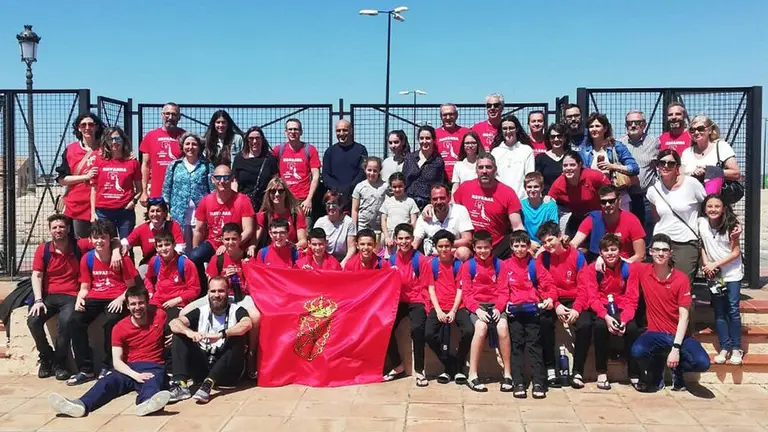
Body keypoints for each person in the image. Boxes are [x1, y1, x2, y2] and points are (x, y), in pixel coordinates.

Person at [48, 286, 171, 418]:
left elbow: (175, 324)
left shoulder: (160, 316)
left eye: (141, 303)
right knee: (106, 382)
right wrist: (135, 375)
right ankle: (80, 405)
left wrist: (174, 334)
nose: (137, 307)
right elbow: (117, 361)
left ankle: (146, 403)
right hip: (127, 368)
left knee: (153, 382)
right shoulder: (119, 328)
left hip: (153, 365)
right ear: (127, 306)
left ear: (147, 303)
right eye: (133, 304)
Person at [631, 234, 710, 392]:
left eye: (665, 250)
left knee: (702, 363)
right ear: (651, 252)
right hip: (655, 333)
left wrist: (675, 349)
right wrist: (599, 261)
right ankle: (657, 367)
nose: (661, 253)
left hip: (679, 335)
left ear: (670, 253)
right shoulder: (642, 270)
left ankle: (678, 368)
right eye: (657, 249)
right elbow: (617, 262)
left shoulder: (681, 279)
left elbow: (684, 317)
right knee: (638, 351)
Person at [68, 219, 138, 385]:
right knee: (75, 321)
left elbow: (131, 287)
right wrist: (79, 298)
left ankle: (107, 365)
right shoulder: (87, 258)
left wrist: (121, 299)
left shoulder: (122, 259)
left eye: (103, 237)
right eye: (96, 237)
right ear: (91, 240)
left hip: (116, 297)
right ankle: (86, 369)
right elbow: (85, 286)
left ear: (110, 239)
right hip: (95, 296)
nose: (99, 241)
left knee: (112, 322)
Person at [168, 277, 252, 403]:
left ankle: (209, 383)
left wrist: (222, 334)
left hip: (227, 371)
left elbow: (247, 323)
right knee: (179, 335)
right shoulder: (202, 310)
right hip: (204, 364)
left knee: (237, 336)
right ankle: (180, 385)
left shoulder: (237, 310)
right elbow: (174, 323)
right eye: (213, 291)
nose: (216, 295)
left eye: (221, 291)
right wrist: (189, 332)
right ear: (208, 293)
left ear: (228, 292)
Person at [28, 215, 88, 380]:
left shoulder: (79, 245)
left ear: (68, 229)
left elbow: (103, 240)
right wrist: (38, 300)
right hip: (48, 296)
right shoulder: (43, 249)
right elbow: (37, 275)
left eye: (61, 227)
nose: (58, 230)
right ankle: (47, 357)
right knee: (33, 321)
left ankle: (60, 363)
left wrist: (118, 247)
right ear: (50, 230)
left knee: (66, 322)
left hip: (71, 295)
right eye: (54, 227)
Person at [581, 234, 641, 390]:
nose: (610, 253)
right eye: (606, 250)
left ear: (620, 251)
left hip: (622, 307)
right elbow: (592, 298)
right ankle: (601, 371)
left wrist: (625, 319)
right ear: (600, 253)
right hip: (602, 307)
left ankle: (634, 373)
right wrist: (606, 317)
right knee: (600, 328)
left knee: (633, 329)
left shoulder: (629, 269)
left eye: (613, 249)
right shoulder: (592, 270)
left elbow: (632, 298)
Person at [534, 222, 590, 388]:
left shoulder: (577, 257)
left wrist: (577, 308)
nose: (547, 245)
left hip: (574, 298)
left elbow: (584, 286)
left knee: (586, 325)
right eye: (544, 242)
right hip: (553, 299)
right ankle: (550, 368)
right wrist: (556, 305)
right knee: (543, 322)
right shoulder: (542, 258)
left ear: (560, 236)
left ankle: (578, 371)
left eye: (550, 239)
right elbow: (542, 286)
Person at [504, 230, 556, 399]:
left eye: (523, 246)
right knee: (517, 346)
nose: (519, 249)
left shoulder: (535, 265)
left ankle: (539, 382)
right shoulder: (505, 265)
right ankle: (518, 382)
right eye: (516, 245)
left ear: (528, 247)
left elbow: (549, 285)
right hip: (515, 312)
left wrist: (550, 299)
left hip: (533, 311)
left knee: (534, 345)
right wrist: (504, 304)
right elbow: (501, 289)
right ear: (511, 247)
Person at [189, 165, 255, 292]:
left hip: (234, 242)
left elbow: (248, 230)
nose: (222, 181)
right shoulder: (206, 201)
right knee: (194, 257)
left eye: (226, 177)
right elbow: (199, 230)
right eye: (218, 177)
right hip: (213, 242)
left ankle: (241, 290)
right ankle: (203, 290)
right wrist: (195, 250)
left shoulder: (242, 200)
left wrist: (229, 244)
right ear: (213, 179)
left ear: (232, 179)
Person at [646, 150, 706, 286]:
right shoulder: (653, 190)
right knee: (660, 284)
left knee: (682, 285)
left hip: (686, 242)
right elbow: (656, 217)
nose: (666, 166)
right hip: (661, 241)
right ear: (658, 166)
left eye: (671, 163)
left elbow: (707, 206)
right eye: (662, 163)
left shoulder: (692, 184)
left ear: (677, 167)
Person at [462, 230, 512, 393]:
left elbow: (504, 290)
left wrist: (498, 308)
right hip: (477, 306)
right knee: (481, 328)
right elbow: (467, 293)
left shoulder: (500, 265)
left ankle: (508, 374)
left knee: (503, 328)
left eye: (486, 248)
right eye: (479, 248)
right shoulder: (468, 266)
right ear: (474, 248)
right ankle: (473, 374)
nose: (483, 251)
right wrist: (476, 309)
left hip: (496, 304)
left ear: (491, 247)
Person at [423, 230, 473, 385]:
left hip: (457, 306)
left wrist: (453, 310)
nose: (444, 250)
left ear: (452, 247)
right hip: (437, 306)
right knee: (429, 334)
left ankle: (458, 362)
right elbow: (431, 288)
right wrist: (438, 310)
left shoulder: (459, 265)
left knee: (469, 330)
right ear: (436, 247)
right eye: (440, 246)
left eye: (447, 246)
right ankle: (451, 365)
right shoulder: (432, 264)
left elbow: (460, 289)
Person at [383, 223, 430, 387]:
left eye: (407, 238)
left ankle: (419, 370)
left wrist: (427, 308)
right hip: (398, 301)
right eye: (400, 238)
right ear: (395, 240)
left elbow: (426, 285)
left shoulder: (420, 260)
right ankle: (397, 366)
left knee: (417, 329)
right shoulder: (392, 260)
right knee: (384, 327)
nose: (404, 242)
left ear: (412, 239)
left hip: (417, 301)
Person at [699, 194, 743, 365]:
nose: (713, 210)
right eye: (710, 206)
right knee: (719, 311)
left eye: (717, 206)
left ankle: (736, 348)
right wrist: (706, 264)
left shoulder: (732, 226)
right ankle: (724, 347)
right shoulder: (701, 223)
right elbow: (701, 244)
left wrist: (715, 263)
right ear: (705, 208)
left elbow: (735, 252)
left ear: (724, 208)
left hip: (732, 273)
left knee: (732, 309)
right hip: (715, 275)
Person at [453, 154, 525, 259]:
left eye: (488, 167)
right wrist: (430, 207)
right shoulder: (465, 188)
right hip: (470, 244)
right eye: (481, 167)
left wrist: (526, 243)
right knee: (461, 252)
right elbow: (452, 211)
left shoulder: (507, 192)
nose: (484, 171)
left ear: (495, 169)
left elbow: (517, 226)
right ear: (476, 170)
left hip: (496, 245)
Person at [162, 132, 215, 251]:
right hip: (178, 214)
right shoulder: (174, 165)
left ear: (199, 147)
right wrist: (166, 210)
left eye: (194, 144)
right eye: (187, 144)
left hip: (200, 215)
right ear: (182, 146)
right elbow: (166, 189)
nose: (190, 147)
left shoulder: (206, 166)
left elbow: (213, 190)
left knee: (198, 247)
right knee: (181, 247)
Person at [56, 113, 105, 238]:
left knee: (100, 242)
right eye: (83, 125)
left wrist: (129, 156)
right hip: (76, 205)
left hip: (100, 204)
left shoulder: (105, 149)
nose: (87, 128)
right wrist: (85, 177)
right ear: (78, 128)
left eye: (91, 124)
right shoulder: (71, 150)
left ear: (97, 127)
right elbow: (62, 179)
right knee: (79, 244)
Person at [579, 113, 639, 211]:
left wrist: (613, 167)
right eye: (591, 126)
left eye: (597, 126)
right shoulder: (585, 151)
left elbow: (634, 168)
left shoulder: (617, 146)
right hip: (595, 198)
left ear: (605, 128)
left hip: (618, 197)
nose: (594, 129)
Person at [570, 185, 646, 262]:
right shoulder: (593, 219)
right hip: (599, 265)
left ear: (619, 200)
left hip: (626, 266)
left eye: (611, 201)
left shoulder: (631, 220)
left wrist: (621, 267)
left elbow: (640, 255)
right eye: (603, 202)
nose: (607, 205)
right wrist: (564, 244)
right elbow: (574, 244)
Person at [90, 126, 142, 239]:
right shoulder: (99, 161)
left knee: (126, 245)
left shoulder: (132, 162)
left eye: (117, 139)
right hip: (103, 211)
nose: (114, 142)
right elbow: (94, 189)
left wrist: (133, 202)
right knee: (106, 244)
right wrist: (93, 213)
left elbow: (139, 189)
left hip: (125, 211)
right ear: (106, 142)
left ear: (123, 141)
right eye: (110, 139)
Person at [143, 230, 200, 327]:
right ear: (156, 248)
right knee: (146, 322)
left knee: (168, 326)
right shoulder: (154, 261)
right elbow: (148, 278)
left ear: (174, 245)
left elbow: (195, 289)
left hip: (177, 303)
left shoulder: (185, 263)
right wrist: (150, 292)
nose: (164, 248)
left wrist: (177, 300)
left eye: (167, 244)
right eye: (160, 246)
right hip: (157, 300)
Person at [547, 150, 610, 237]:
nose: (568, 168)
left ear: (580, 165)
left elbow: (611, 191)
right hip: (577, 218)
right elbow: (548, 200)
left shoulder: (593, 175)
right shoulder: (559, 183)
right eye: (565, 165)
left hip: (598, 217)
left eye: (572, 165)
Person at [273, 118, 321, 227]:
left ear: (301, 132)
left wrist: (309, 199)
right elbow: (273, 174)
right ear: (285, 132)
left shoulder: (310, 150)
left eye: (296, 129)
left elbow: (316, 176)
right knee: (282, 232)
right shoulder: (278, 150)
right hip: (283, 199)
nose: (292, 132)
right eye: (290, 129)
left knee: (305, 233)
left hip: (303, 201)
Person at [618, 110, 660, 234]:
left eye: (638, 122)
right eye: (630, 123)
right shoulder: (619, 144)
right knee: (627, 231)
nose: (633, 125)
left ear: (644, 125)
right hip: (626, 196)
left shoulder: (654, 143)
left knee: (647, 232)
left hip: (646, 197)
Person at [681, 115, 742, 197]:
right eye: (692, 130)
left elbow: (736, 173)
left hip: (714, 204)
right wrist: (692, 174)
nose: (696, 132)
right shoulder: (687, 152)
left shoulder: (721, 147)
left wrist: (709, 171)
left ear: (709, 130)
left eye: (700, 129)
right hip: (692, 201)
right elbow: (680, 176)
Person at [139, 102, 185, 206]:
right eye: (167, 114)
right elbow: (145, 165)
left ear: (179, 117)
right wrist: (144, 191)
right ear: (162, 115)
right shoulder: (150, 136)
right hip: (156, 193)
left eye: (174, 114)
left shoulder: (185, 137)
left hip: (180, 193)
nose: (170, 117)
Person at [413, 184, 473, 260]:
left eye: (442, 198)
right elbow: (415, 242)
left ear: (449, 197)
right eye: (435, 199)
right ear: (430, 200)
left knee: (463, 252)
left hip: (454, 256)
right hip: (432, 259)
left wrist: (443, 245)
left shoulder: (460, 211)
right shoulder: (425, 216)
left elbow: (468, 240)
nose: (439, 202)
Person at [122, 198, 184, 269]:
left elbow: (180, 248)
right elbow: (125, 243)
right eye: (152, 211)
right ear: (148, 213)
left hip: (170, 263)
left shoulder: (173, 226)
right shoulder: (142, 229)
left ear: (164, 213)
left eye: (158, 211)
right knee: (141, 272)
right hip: (149, 266)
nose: (155, 214)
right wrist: (116, 252)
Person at [322, 120, 368, 212]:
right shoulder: (330, 152)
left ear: (351, 131)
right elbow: (325, 174)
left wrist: (349, 188)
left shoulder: (361, 150)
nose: (341, 133)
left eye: (345, 130)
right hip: (335, 197)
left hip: (355, 196)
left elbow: (362, 172)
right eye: (338, 131)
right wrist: (335, 189)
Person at [232, 126, 279, 213]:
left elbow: (275, 181)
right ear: (247, 140)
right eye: (251, 138)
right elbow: (234, 181)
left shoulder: (270, 159)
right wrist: (234, 200)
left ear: (262, 140)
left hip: (265, 205)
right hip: (243, 203)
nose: (254, 141)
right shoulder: (239, 158)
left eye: (257, 138)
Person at [254, 176, 308, 250]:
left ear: (286, 193)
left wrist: (291, 246)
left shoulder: (296, 213)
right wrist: (251, 247)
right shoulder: (263, 215)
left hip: (291, 252)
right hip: (271, 254)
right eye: (273, 191)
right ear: (269, 194)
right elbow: (255, 241)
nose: (277, 194)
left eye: (280, 191)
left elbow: (303, 241)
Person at [491, 114, 535, 199]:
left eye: (511, 128)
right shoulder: (495, 152)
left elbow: (530, 177)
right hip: (500, 199)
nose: (508, 131)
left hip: (521, 199)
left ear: (517, 129)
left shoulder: (526, 150)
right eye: (504, 128)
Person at [402, 125, 445, 209]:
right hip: (408, 203)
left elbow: (439, 185)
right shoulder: (410, 158)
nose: (424, 141)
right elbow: (404, 182)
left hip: (427, 205)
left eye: (428, 138)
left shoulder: (438, 162)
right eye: (421, 138)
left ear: (433, 140)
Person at [313, 190, 357, 267]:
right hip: (324, 260)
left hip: (343, 260)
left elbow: (352, 248)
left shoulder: (349, 222)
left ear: (340, 205)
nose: (331, 207)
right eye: (328, 204)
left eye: (334, 204)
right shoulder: (320, 222)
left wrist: (342, 264)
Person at [380, 172, 419, 255]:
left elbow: (413, 222)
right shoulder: (387, 202)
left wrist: (409, 236)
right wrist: (387, 237)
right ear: (391, 187)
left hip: (404, 238)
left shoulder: (410, 201)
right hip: (391, 238)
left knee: (405, 258)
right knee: (391, 260)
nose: (397, 189)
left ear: (404, 185)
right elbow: (383, 221)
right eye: (394, 187)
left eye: (400, 186)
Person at [520, 173, 558, 249]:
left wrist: (543, 246)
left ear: (542, 188)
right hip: (526, 244)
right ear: (525, 188)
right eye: (529, 187)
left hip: (547, 244)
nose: (532, 190)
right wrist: (529, 243)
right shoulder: (520, 205)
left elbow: (553, 228)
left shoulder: (550, 205)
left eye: (536, 187)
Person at [352, 156, 389, 231]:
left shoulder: (385, 186)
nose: (372, 173)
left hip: (380, 227)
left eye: (375, 171)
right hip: (363, 226)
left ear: (379, 171)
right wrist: (354, 229)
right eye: (369, 170)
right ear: (365, 170)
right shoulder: (360, 187)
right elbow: (354, 210)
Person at [435, 103, 469, 180]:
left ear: (456, 115)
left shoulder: (466, 132)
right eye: (445, 115)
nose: (448, 117)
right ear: (441, 117)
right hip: (441, 178)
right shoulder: (435, 134)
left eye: (451, 114)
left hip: (462, 177)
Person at [535, 123, 570, 195]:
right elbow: (537, 182)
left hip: (569, 200)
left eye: (559, 136)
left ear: (565, 138)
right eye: (552, 137)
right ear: (549, 139)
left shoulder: (571, 156)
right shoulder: (540, 158)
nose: (556, 139)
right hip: (548, 200)